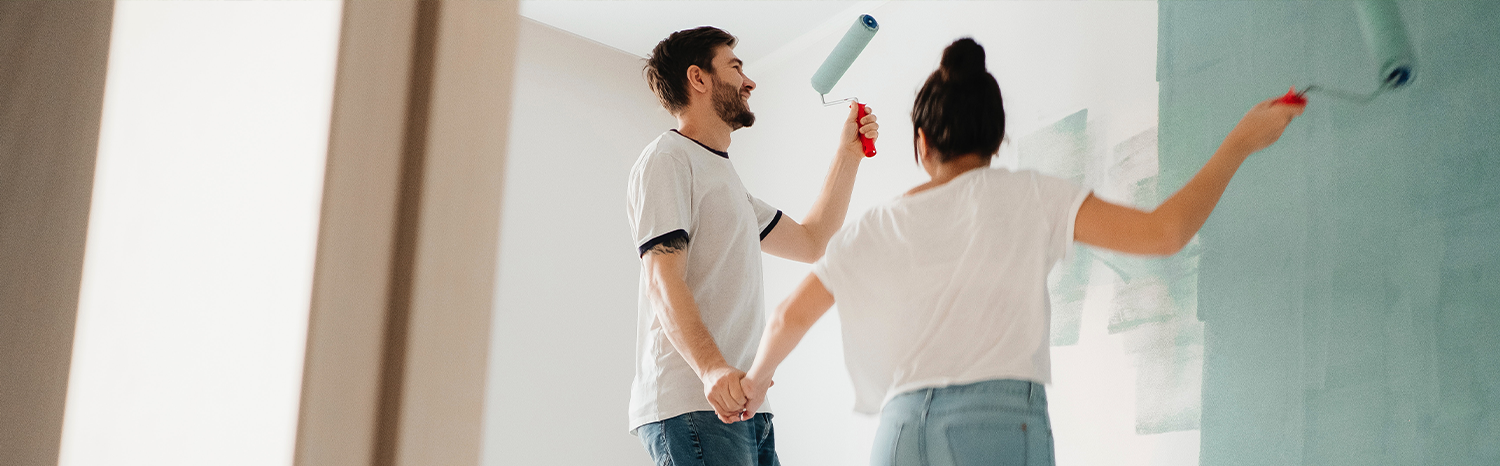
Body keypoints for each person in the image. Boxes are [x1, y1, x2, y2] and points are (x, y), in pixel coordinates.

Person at [734, 38, 1304, 466]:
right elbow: (1165, 233)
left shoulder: (875, 226)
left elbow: (789, 315)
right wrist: (1241, 142)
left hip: (900, 430)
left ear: (922, 142)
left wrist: (756, 383)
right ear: (996, 139)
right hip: (995, 424)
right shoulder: (1029, 194)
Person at [626, 26, 880, 466]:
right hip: (695, 402)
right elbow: (661, 278)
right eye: (736, 67)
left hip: (744, 402)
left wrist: (849, 154)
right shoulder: (667, 159)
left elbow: (811, 241)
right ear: (698, 79)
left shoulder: (727, 184)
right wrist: (710, 368)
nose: (750, 82)